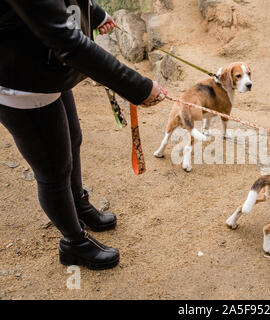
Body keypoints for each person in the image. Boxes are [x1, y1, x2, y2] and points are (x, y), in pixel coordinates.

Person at [0, 0, 166, 270]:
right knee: (53, 170)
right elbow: (65, 39)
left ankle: (77, 204)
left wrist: (95, 13)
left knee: (72, 140)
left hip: (50, 66)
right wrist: (138, 86)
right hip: (23, 80)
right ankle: (73, 244)